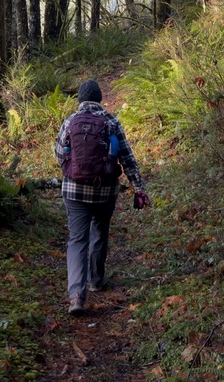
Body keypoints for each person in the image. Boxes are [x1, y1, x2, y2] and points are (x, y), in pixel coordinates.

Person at [54, 79, 150, 316]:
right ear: (99, 98)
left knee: (77, 240)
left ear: (79, 99)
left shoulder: (70, 121)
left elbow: (59, 155)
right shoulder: (111, 121)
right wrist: (138, 187)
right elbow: (127, 157)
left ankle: (76, 295)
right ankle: (96, 280)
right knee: (100, 231)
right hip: (105, 191)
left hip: (74, 191)